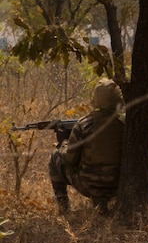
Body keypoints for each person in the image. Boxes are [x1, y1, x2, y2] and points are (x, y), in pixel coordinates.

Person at [48, 78, 125, 214]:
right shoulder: (126, 124)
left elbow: (69, 159)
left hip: (88, 185)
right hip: (118, 184)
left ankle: (63, 207)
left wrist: (64, 141)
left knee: (55, 156)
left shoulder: (84, 125)